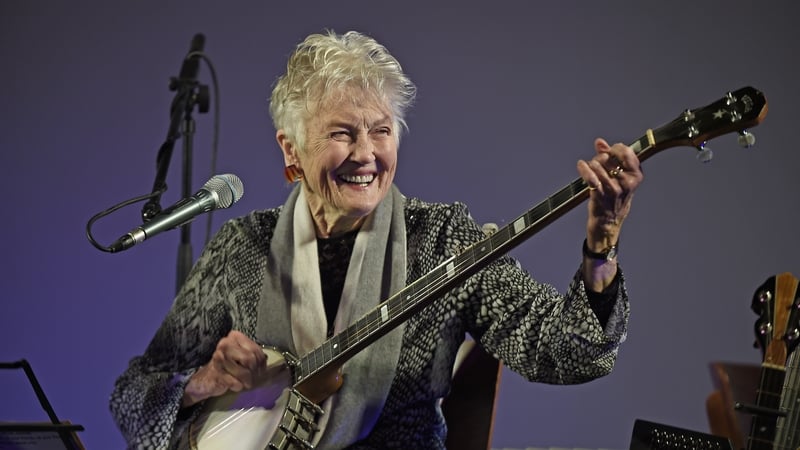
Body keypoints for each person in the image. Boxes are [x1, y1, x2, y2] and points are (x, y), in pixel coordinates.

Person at [110, 30, 643, 449]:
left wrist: (601, 247)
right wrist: (200, 383)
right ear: (291, 150)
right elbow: (134, 391)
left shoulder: (440, 240)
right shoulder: (242, 248)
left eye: (381, 131)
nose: (366, 154)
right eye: (343, 133)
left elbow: (566, 353)